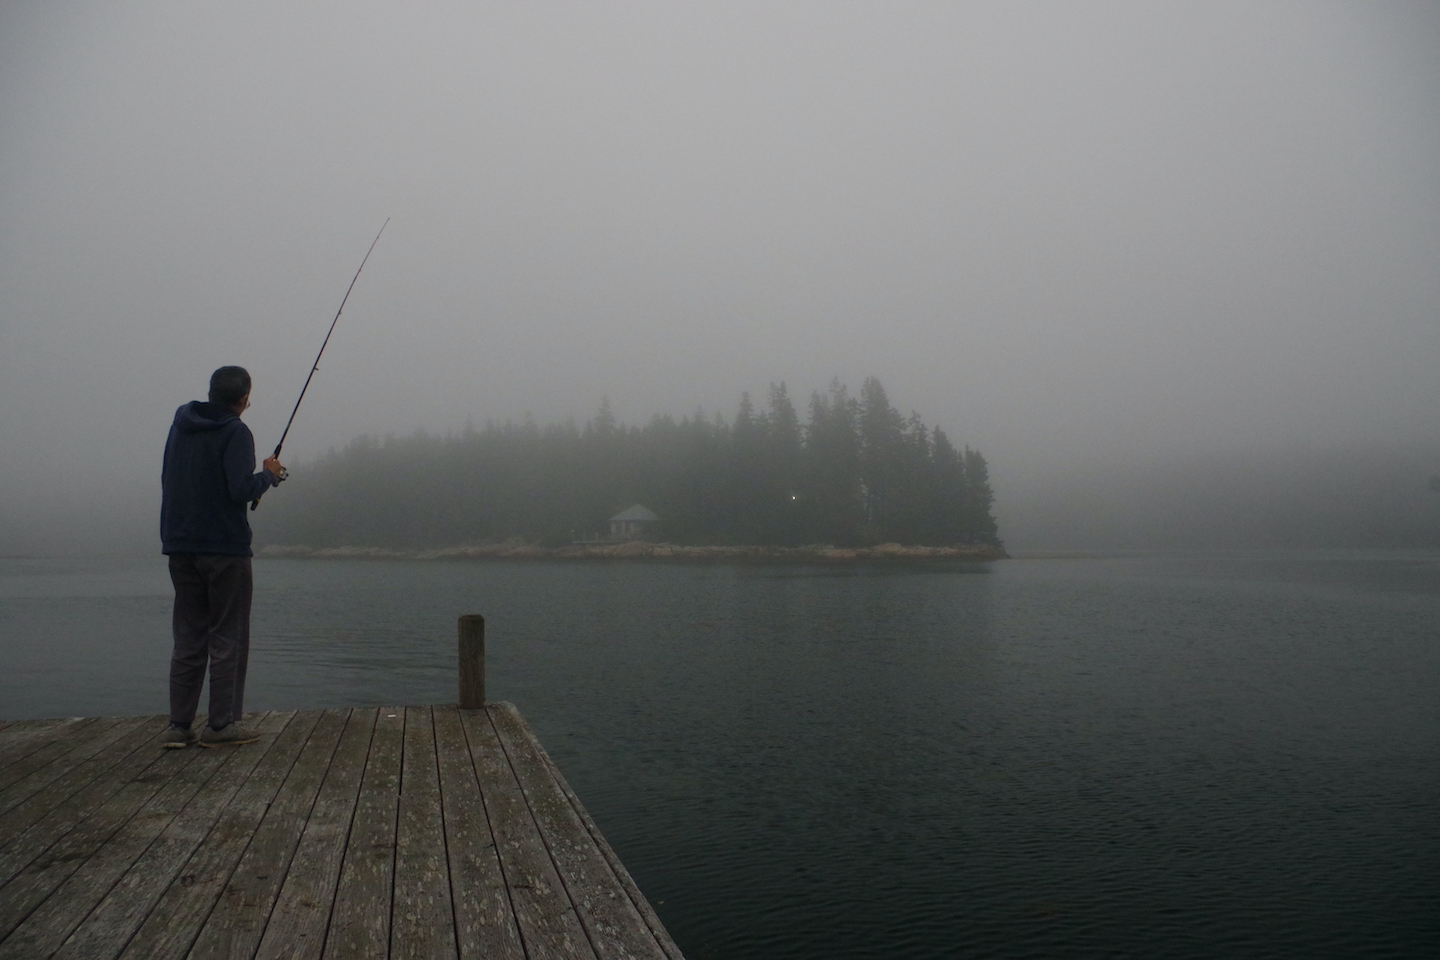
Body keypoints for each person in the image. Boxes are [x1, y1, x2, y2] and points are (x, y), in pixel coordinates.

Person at [159, 366, 285, 747]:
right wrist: (270, 475)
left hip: (181, 546)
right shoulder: (236, 431)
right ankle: (222, 726)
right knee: (228, 636)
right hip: (225, 549)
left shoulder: (180, 424)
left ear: (212, 391)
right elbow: (240, 489)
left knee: (188, 637)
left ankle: (179, 726)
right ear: (243, 398)